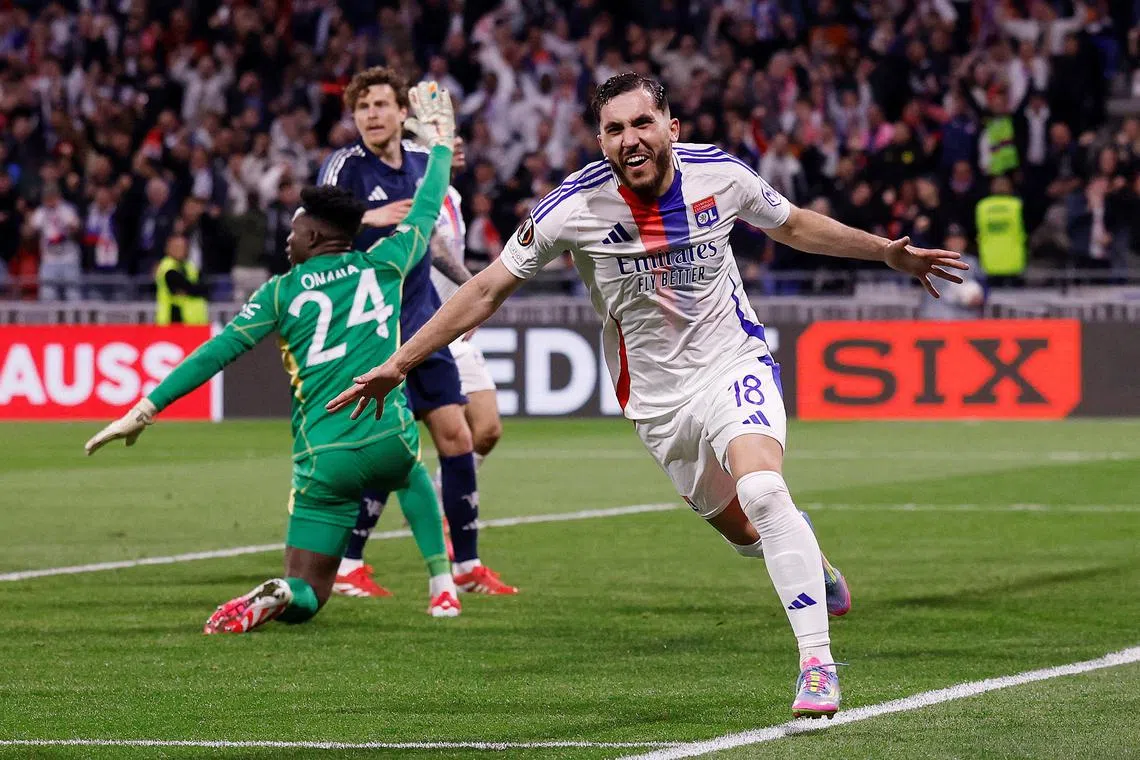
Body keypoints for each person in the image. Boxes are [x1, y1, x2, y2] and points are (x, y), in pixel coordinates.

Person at [327, 73, 967, 718]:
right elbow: (487, 289)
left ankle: (817, 665)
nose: (629, 140)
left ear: (671, 128)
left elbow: (794, 226)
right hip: (657, 404)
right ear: (600, 140)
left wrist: (886, 253)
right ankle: (815, 568)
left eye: (641, 124)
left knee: (765, 490)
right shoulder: (571, 207)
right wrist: (402, 362)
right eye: (614, 129)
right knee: (747, 531)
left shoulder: (720, 176)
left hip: (732, 362)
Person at [84, 83, 463, 632]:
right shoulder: (384, 263)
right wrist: (444, 144)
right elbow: (428, 208)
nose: (287, 239)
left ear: (312, 233)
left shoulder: (279, 293)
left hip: (324, 455)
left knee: (308, 589)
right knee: (413, 470)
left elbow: (215, 354)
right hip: (387, 437)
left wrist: (145, 408)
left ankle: (284, 590)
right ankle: (442, 584)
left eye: (293, 230)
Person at [318, 66, 516, 598]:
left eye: (381, 105)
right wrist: (372, 217)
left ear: (402, 113)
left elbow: (428, 239)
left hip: (422, 320)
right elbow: (313, 223)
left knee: (457, 436)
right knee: (394, 447)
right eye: (362, 108)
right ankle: (347, 566)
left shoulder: (421, 167)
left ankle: (469, 565)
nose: (372, 115)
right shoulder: (347, 166)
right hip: (370, 329)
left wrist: (473, 287)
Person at [154, 234, 210, 325]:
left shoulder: (190, 266)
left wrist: (193, 289)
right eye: (176, 247)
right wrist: (194, 289)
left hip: (196, 322)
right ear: (167, 249)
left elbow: (205, 288)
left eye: (182, 247)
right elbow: (188, 287)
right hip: (172, 321)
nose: (179, 250)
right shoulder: (167, 268)